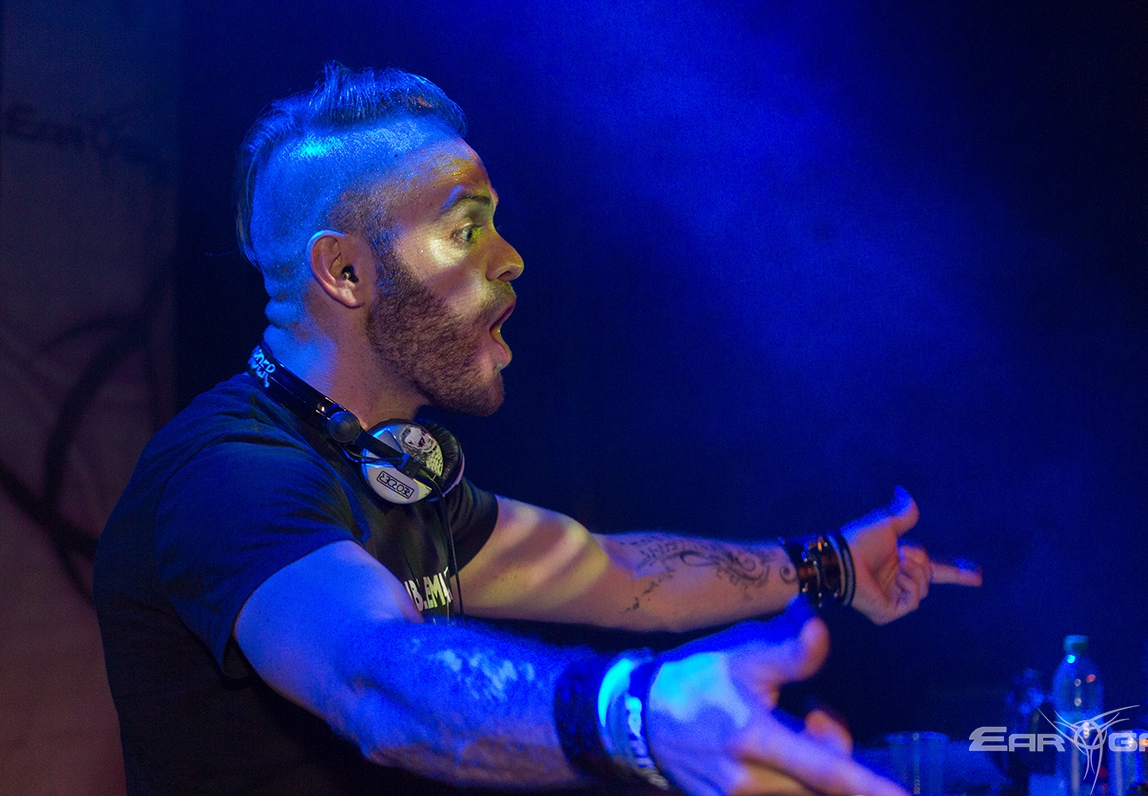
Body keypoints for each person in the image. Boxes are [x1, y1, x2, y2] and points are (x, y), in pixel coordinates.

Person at [94, 64, 982, 796]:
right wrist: (637, 714)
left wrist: (828, 562)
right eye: (465, 229)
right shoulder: (228, 476)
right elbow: (375, 677)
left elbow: (623, 575)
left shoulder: (387, 470)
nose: (510, 257)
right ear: (347, 272)